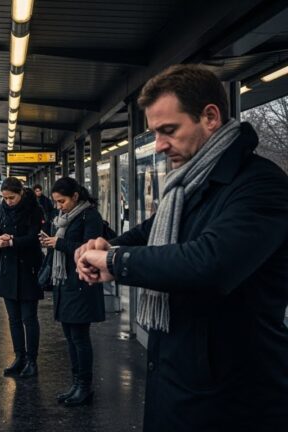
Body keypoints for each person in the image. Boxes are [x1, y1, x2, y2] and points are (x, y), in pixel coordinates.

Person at [75, 64, 288, 431]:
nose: (159, 145)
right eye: (155, 133)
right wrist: (106, 245)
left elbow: (210, 263)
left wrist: (115, 260)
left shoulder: (261, 185)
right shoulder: (188, 185)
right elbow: (151, 231)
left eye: (168, 130)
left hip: (235, 398)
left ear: (210, 117)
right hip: (180, 380)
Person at [39, 176, 104, 407]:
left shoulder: (90, 216)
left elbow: (90, 249)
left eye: (62, 201)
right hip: (65, 284)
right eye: (56, 202)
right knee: (70, 337)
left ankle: (84, 387)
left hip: (81, 285)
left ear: (75, 196)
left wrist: (58, 243)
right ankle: (76, 384)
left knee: (80, 338)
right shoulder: (63, 219)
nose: (59, 206)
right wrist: (51, 242)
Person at [0, 177, 44, 378]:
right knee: (14, 318)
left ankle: (32, 361)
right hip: (7, 270)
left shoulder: (34, 209)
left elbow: (33, 237)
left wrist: (11, 241)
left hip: (28, 270)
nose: (8, 201)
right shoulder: (2, 208)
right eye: (5, 198)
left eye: (12, 198)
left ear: (21, 193)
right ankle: (19, 357)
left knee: (29, 318)